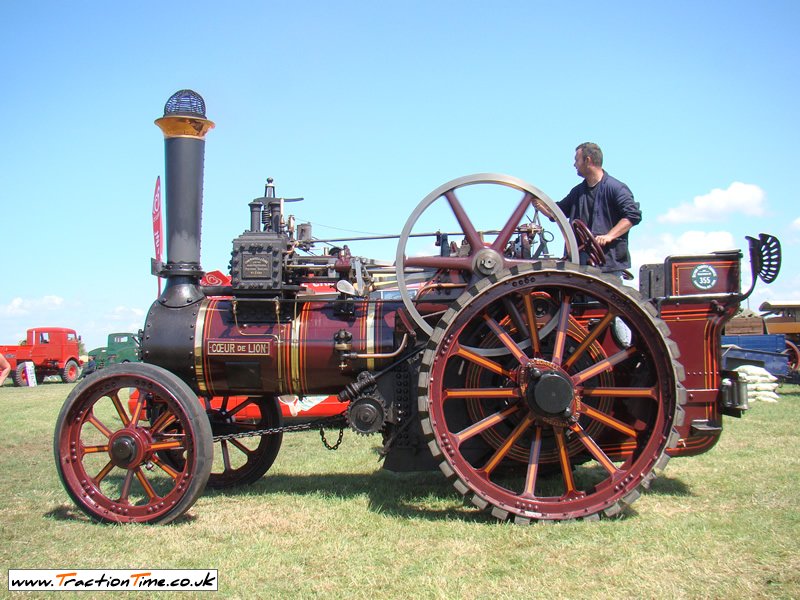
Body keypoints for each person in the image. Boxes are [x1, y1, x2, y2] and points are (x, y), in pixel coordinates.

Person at [557, 142, 641, 277]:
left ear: (588, 160)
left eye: (576, 160)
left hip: (607, 264)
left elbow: (632, 216)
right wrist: (537, 201)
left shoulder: (616, 188)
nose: (574, 165)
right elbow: (557, 212)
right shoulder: (577, 191)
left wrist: (609, 236)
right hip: (580, 264)